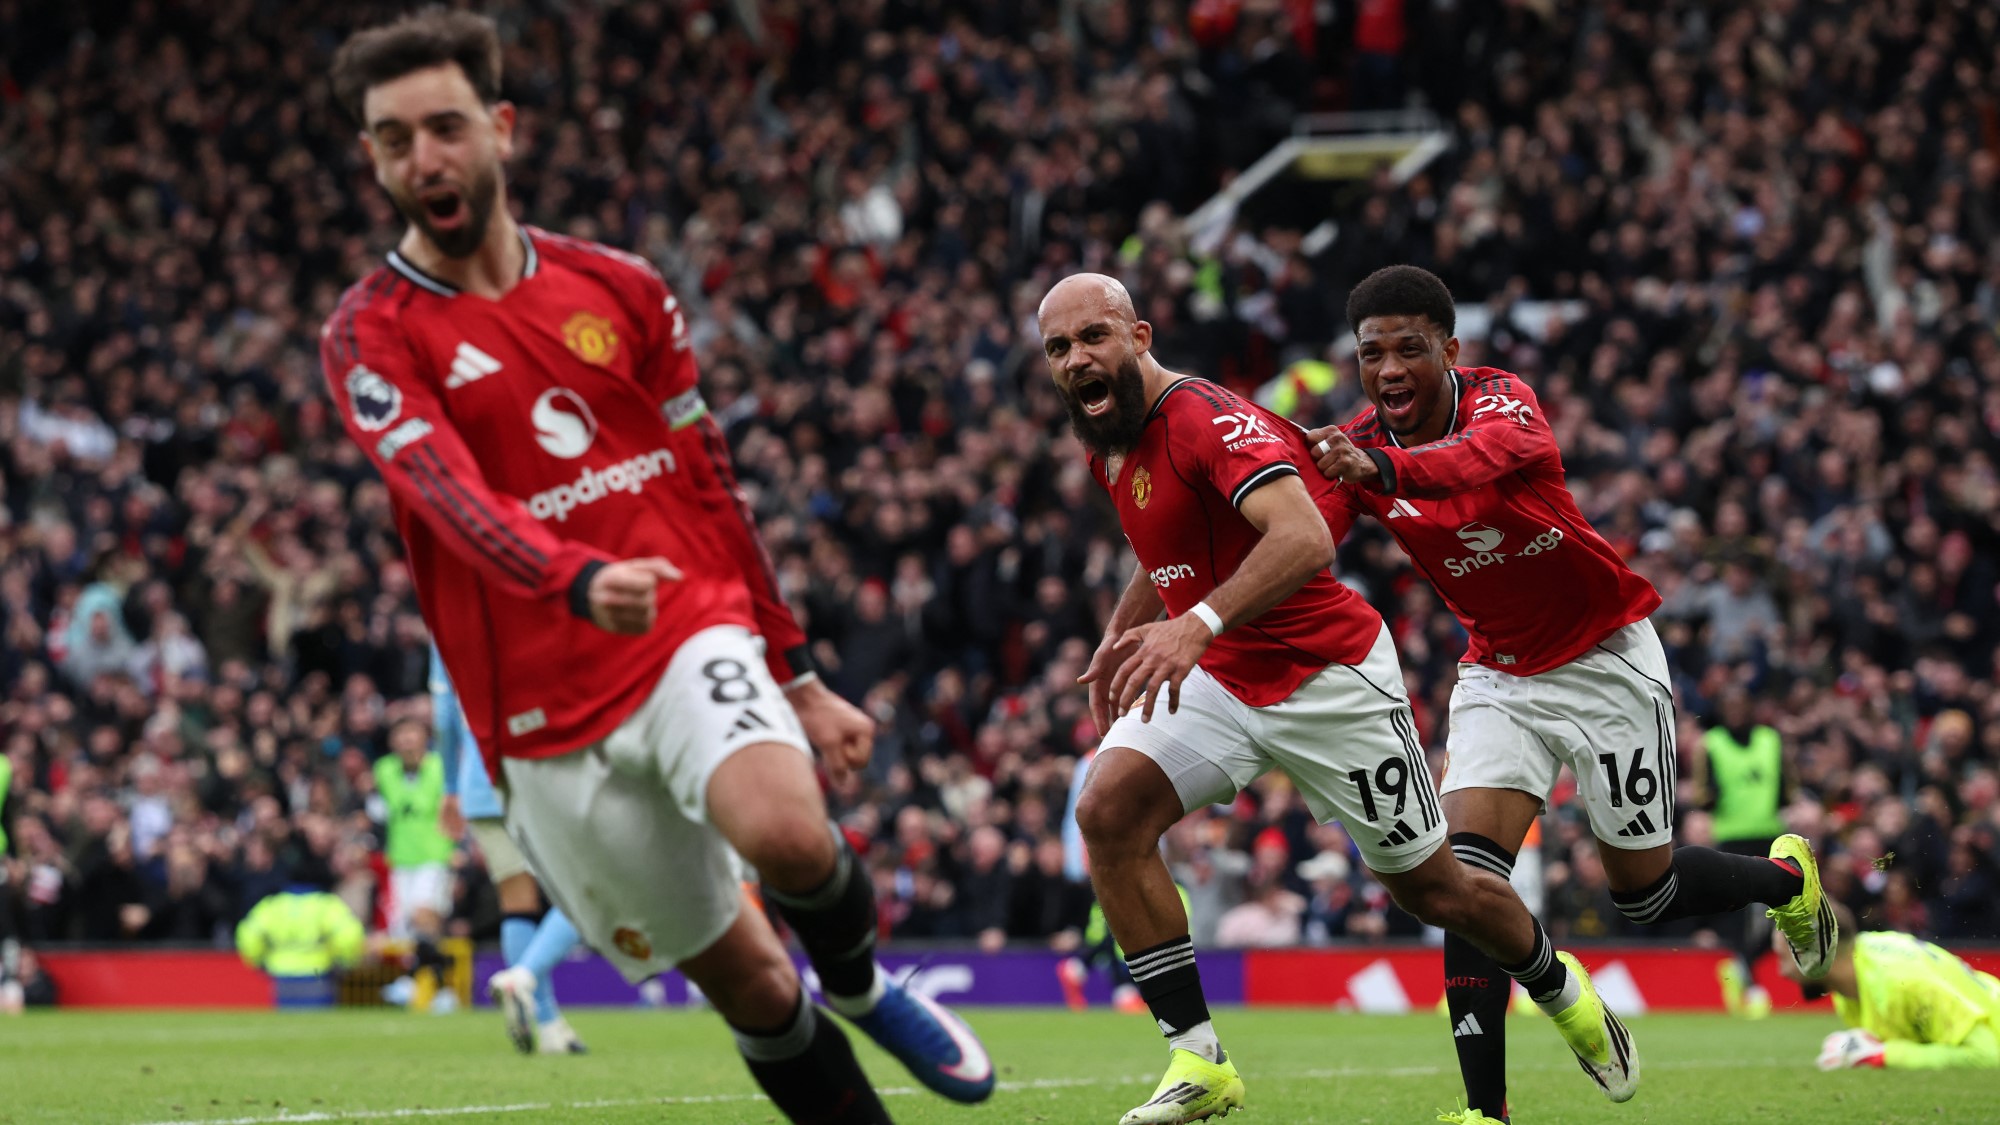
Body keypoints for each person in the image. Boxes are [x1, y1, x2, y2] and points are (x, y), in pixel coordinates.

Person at [322, 13, 989, 1121]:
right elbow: (445, 494)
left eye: (445, 128)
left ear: (501, 128)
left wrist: (798, 674)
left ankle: (864, 985)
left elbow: (709, 479)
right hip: (540, 716)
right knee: (756, 988)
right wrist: (571, 578)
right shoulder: (370, 333)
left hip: (681, 628)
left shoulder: (620, 287)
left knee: (787, 831)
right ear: (373, 160)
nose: (424, 158)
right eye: (395, 141)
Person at [1041, 273, 1636, 1125]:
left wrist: (1194, 623)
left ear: (1139, 337)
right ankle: (1198, 1058)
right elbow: (1165, 536)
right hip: (1223, 674)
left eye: (1093, 337)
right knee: (1107, 810)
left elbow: (1306, 535)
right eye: (1059, 347)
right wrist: (1119, 634)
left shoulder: (1207, 417)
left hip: (1330, 681)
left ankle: (1558, 986)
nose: (1077, 359)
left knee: (1436, 890)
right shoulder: (1109, 435)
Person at [1300, 265, 1834, 1125]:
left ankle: (1785, 880)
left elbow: (1475, 460)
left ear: (1450, 350)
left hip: (1603, 659)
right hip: (1499, 673)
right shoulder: (1359, 450)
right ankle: (1485, 1111)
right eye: (1371, 353)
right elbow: (1303, 530)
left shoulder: (1502, 403)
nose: (1389, 368)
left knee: (1645, 893)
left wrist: (1382, 471)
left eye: (1409, 348)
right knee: (1462, 881)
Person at [432, 646, 586, 1055]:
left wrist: (450, 786)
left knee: (517, 904)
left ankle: (549, 1026)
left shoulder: (442, 622)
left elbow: (444, 716)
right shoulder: (524, 607)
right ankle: (523, 977)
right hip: (535, 771)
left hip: (479, 784)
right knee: (585, 894)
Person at [1782, 905, 2000, 1071]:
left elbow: (1987, 1056)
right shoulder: (1858, 968)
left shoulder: (1902, 983)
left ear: (1814, 953)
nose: (1781, 972)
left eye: (1783, 957)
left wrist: (1885, 1055)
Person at [1697, 687, 1794, 1018]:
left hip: (1770, 836)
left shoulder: (1771, 740)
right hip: (1731, 838)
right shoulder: (1711, 743)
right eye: (1729, 705)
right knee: (1736, 915)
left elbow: (1787, 787)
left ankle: (1744, 966)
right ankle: (1749, 982)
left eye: (1741, 704)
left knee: (1783, 910)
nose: (1735, 711)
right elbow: (1702, 794)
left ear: (1752, 707)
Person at [375, 717, 455, 998]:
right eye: (401, 735)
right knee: (411, 927)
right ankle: (442, 986)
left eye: (413, 734)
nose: (407, 742)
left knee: (424, 914)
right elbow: (397, 805)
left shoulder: (441, 767)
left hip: (434, 854)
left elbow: (440, 806)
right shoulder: (384, 770)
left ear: (425, 738)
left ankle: (411, 982)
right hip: (401, 858)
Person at [235, 879, 367, 1008]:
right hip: (317, 973)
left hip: (282, 975)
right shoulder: (325, 904)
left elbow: (248, 934)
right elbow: (349, 935)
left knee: (286, 1019)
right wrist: (345, 961)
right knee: (320, 1020)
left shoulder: (273, 904)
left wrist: (258, 961)